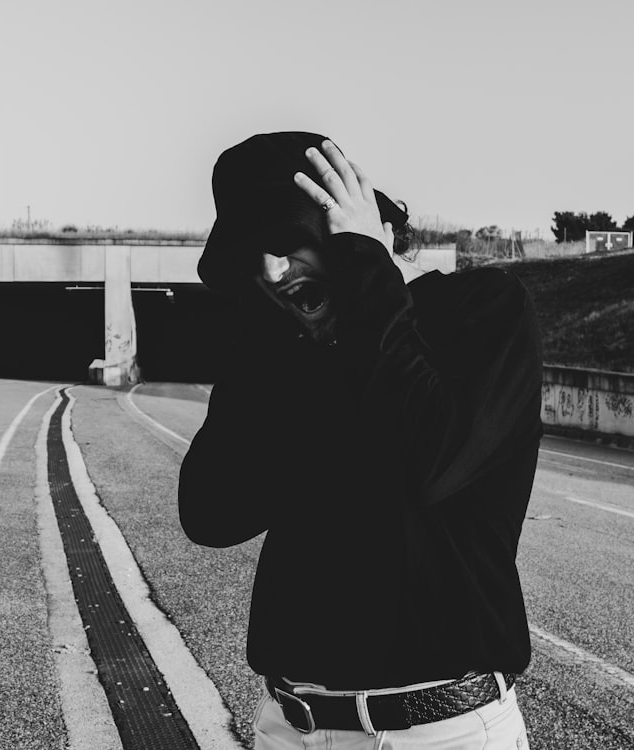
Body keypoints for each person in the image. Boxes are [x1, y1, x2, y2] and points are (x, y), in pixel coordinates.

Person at [178, 131, 542, 749]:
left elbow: (433, 457)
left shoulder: (483, 311)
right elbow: (210, 511)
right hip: (293, 727)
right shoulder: (287, 351)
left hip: (436, 733)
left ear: (351, 229)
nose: (269, 268)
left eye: (283, 241)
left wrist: (366, 272)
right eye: (249, 256)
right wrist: (268, 339)